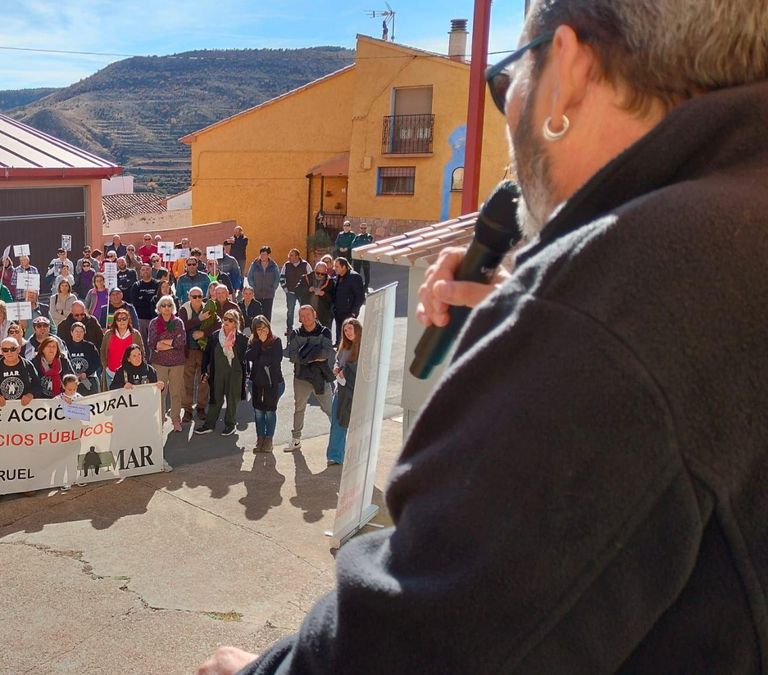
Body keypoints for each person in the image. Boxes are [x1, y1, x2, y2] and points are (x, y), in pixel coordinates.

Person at [207, 4, 768, 670]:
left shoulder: (611, 300)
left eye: (507, 80)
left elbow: (412, 640)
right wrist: (527, 317)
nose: (508, 113)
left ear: (568, 71)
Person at [284, 305, 334, 452]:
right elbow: (292, 356)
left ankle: (340, 435)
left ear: (315, 314)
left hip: (320, 377)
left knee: (329, 408)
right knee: (299, 409)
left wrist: (305, 354)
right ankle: (296, 439)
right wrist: (313, 353)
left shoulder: (325, 332)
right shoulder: (295, 333)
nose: (305, 318)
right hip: (301, 378)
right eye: (302, 316)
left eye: (308, 315)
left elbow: (326, 353)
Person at [194, 309, 248, 436]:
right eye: (225, 319)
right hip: (218, 372)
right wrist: (203, 370)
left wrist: (246, 379)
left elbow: (245, 361)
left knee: (232, 399)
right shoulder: (215, 336)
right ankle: (209, 425)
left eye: (230, 320)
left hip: (235, 373)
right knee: (215, 399)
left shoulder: (241, 339)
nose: (227, 322)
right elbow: (206, 354)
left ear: (236, 323)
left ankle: (230, 424)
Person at [146, 296, 187, 432]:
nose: (166, 307)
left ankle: (176, 419)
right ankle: (160, 420)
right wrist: (172, 343)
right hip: (159, 363)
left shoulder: (178, 322)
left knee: (176, 393)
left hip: (177, 363)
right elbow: (152, 342)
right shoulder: (153, 323)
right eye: (163, 305)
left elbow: (181, 341)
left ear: (173, 307)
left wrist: (164, 344)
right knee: (160, 393)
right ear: (159, 307)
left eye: (169, 305)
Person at [245, 316, 285, 453]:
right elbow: (249, 357)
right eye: (259, 329)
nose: (262, 331)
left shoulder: (276, 341)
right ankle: (260, 438)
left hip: (273, 383)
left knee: (269, 411)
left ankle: (269, 440)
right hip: (256, 382)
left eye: (264, 327)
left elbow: (275, 360)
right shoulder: (252, 342)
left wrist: (263, 350)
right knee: (258, 412)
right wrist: (258, 344)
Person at [325, 318, 361, 466]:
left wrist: (345, 373)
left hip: (354, 392)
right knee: (337, 423)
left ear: (357, 330)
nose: (347, 333)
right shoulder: (344, 347)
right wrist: (336, 367)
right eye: (345, 330)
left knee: (353, 425)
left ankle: (354, 455)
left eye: (350, 329)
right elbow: (338, 360)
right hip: (340, 391)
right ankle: (335, 455)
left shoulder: (363, 347)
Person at [179, 288, 214, 422]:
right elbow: (182, 326)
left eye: (199, 296)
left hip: (203, 351)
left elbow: (215, 326)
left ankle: (201, 407)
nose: (197, 299)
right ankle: (187, 409)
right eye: (194, 297)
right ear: (189, 297)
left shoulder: (208, 308)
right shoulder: (184, 309)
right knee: (187, 381)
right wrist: (198, 319)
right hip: (188, 351)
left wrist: (203, 333)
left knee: (203, 380)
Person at [0, 337, 39, 409]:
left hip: (25, 410)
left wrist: (31, 394)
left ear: (19, 349)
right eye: (5, 350)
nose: (9, 352)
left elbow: (38, 386)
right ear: (2, 351)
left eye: (12, 349)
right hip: (2, 410)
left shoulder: (28, 366)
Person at [99, 309, 142, 389]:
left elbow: (141, 353)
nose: (121, 321)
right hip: (111, 373)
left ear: (128, 319)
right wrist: (106, 367)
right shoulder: (108, 334)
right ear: (115, 321)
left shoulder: (135, 334)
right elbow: (103, 352)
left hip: (131, 374)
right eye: (118, 319)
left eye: (124, 319)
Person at [64, 322, 102, 395]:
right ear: (71, 333)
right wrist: (72, 374)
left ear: (84, 333)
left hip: (89, 380)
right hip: (71, 381)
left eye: (81, 331)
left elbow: (97, 362)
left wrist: (86, 373)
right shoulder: (66, 347)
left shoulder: (90, 346)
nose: (79, 334)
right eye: (76, 331)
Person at [281, 249, 312, 334]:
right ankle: (289, 329)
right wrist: (286, 290)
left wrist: (308, 290)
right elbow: (282, 278)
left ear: (297, 256)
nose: (289, 257)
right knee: (290, 311)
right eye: (289, 255)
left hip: (303, 293)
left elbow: (311, 277)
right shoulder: (286, 265)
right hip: (290, 293)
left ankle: (305, 328)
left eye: (291, 255)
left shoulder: (305, 265)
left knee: (304, 311)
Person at [245, 246, 280, 321]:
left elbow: (277, 277)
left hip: (269, 294)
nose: (262, 256)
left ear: (268, 255)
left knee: (267, 314)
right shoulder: (254, 265)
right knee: (258, 314)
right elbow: (249, 277)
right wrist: (254, 287)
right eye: (261, 254)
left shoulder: (273, 265)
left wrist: (273, 287)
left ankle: (267, 330)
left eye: (264, 254)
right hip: (257, 293)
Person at [331, 257, 366, 330]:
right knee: (339, 336)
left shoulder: (354, 277)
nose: (334, 268)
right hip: (338, 312)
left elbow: (360, 297)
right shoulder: (338, 277)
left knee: (349, 334)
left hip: (349, 313)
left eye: (337, 266)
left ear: (343, 267)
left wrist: (353, 312)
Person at [128, 263, 161, 336]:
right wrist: (150, 301)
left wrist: (143, 299)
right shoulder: (136, 285)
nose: (145, 271)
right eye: (143, 270)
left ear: (151, 270)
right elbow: (135, 302)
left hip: (156, 318)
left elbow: (159, 301)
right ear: (140, 272)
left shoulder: (158, 284)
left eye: (147, 269)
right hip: (141, 319)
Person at [306, 261, 334, 329]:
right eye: (317, 273)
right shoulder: (306, 278)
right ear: (314, 270)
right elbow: (298, 290)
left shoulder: (330, 281)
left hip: (324, 314)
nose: (319, 275)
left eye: (322, 274)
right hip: (308, 313)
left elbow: (333, 298)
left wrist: (323, 294)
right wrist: (308, 289)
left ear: (326, 272)